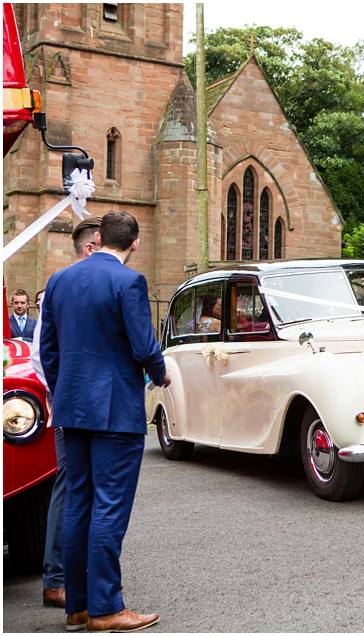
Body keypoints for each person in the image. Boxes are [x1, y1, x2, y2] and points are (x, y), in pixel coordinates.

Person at [40, 211, 169, 632]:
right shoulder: (128, 281)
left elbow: (50, 349)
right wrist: (159, 371)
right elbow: (143, 344)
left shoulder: (60, 280)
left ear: (97, 237)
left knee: (79, 503)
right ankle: (106, 608)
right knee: (110, 506)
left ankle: (77, 606)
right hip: (114, 410)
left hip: (72, 408)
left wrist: (64, 394)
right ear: (134, 243)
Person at [33, 216, 102, 610]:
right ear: (92, 245)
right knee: (72, 485)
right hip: (71, 402)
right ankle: (56, 577)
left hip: (83, 401)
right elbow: (44, 352)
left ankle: (74, 574)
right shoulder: (63, 285)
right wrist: (60, 396)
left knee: (87, 488)